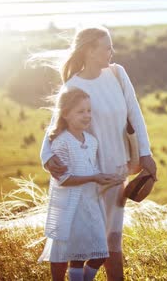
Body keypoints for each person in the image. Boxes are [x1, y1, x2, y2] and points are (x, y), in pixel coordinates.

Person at [39, 26, 157, 281]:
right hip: (86, 173)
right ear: (90, 50)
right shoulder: (73, 85)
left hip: (116, 171)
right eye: (106, 46)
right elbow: (55, 125)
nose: (111, 51)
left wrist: (145, 154)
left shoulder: (117, 74)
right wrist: (47, 158)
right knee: (78, 239)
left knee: (112, 239)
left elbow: (134, 114)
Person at [39, 87, 124, 281]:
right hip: (72, 208)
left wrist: (108, 179)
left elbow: (91, 170)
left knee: (100, 254)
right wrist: (94, 178)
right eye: (80, 111)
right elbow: (64, 179)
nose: (87, 116)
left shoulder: (92, 141)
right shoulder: (62, 143)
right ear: (66, 114)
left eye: (89, 110)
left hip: (90, 205)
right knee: (76, 258)